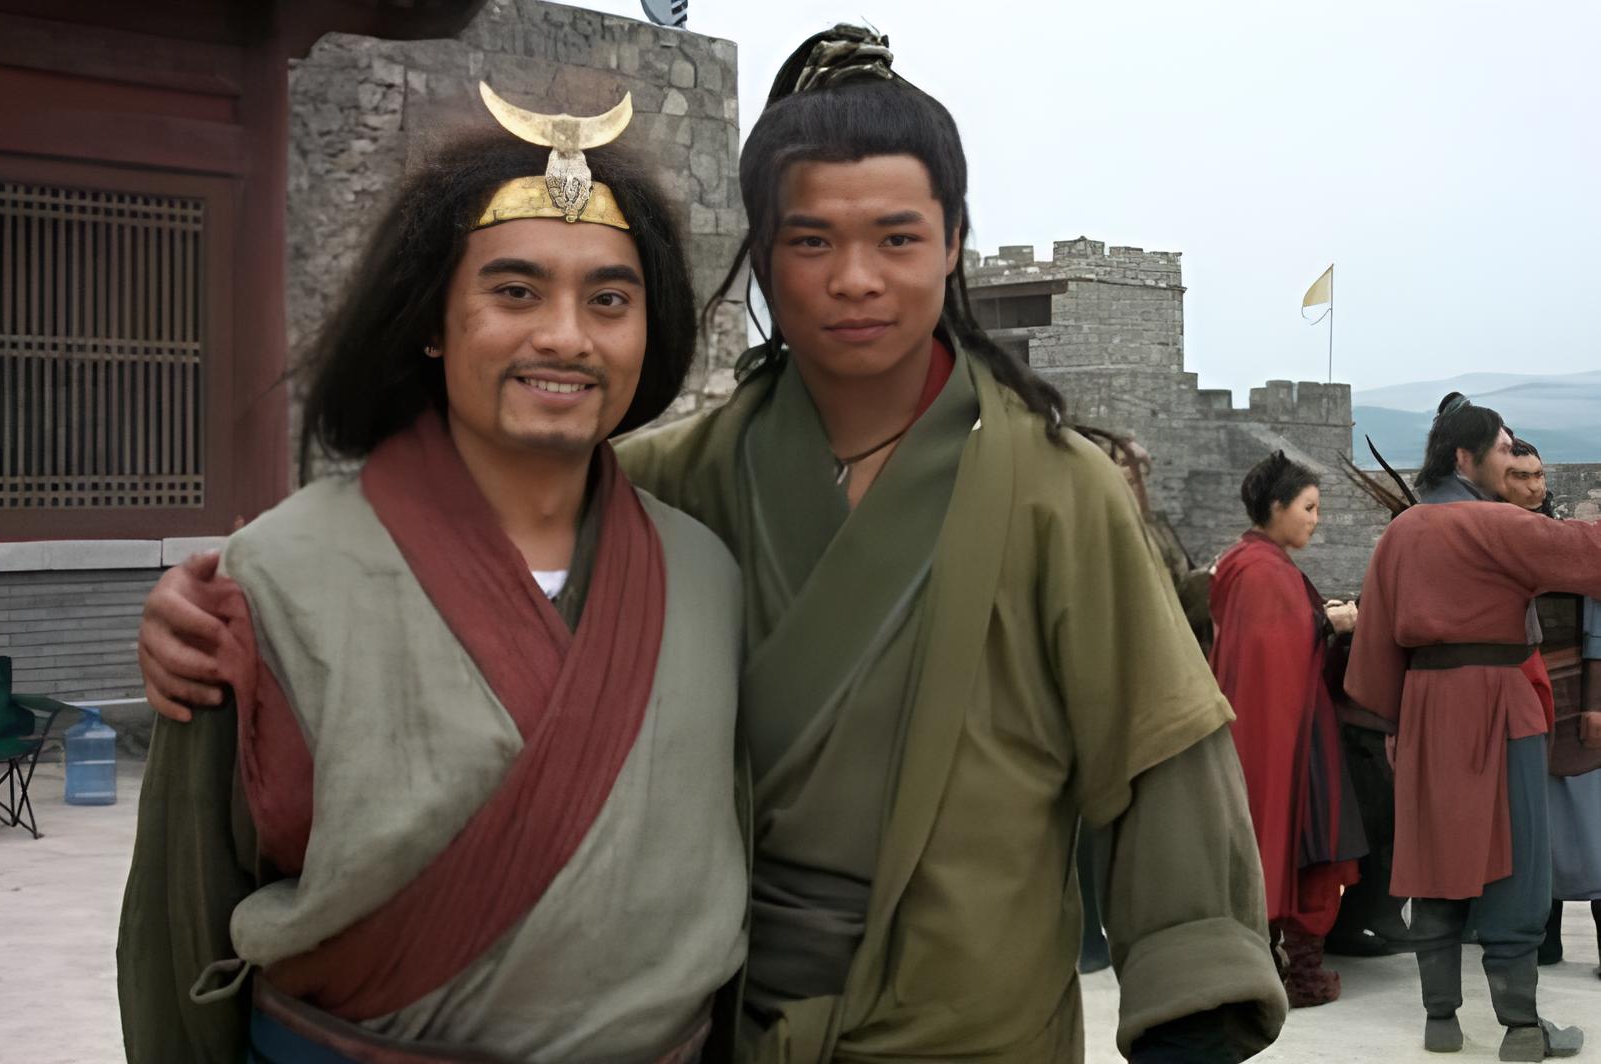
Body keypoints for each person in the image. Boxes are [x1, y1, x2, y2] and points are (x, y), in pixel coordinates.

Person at [135, 26, 1288, 1063]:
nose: (854, 278)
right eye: (811, 239)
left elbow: (1157, 749)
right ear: (763, 258)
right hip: (740, 1024)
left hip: (968, 1023)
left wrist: (1187, 981)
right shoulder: (672, 483)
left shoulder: (1056, 490)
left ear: (952, 247)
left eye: (896, 236)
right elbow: (483, 555)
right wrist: (220, 606)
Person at [116, 92, 749, 1063]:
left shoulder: (706, 575)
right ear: (433, 323)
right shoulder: (272, 580)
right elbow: (180, 916)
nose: (566, 337)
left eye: (609, 300)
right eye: (516, 292)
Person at [1345, 499, 1601, 1060]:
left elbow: (1375, 636)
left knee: (1433, 856)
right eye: (1512, 459)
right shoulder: (1499, 522)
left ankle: (1440, 1020)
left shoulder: (1403, 529)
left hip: (1426, 704)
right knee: (1519, 861)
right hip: (1500, 701)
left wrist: (1396, 719)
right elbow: (1591, 553)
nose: (1523, 476)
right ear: (1471, 457)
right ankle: (1521, 1028)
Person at [1207, 452, 1365, 1007]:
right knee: (1308, 839)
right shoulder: (1263, 570)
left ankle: (1278, 966)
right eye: (1308, 507)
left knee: (1288, 842)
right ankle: (1300, 974)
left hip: (1275, 726)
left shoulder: (1243, 561)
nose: (1316, 519)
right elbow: (1276, 650)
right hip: (1288, 733)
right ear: (1276, 506)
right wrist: (1331, 621)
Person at [1507, 439, 1601, 975]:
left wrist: (1595, 702)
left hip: (1575, 696)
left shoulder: (1567, 542)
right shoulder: (1493, 542)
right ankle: (1543, 939)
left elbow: (1597, 622)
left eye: (1538, 475)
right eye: (1520, 476)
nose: (1533, 486)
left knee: (1591, 821)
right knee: (1535, 826)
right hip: (1520, 697)